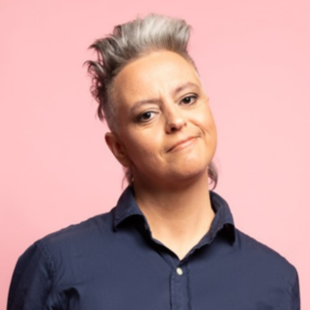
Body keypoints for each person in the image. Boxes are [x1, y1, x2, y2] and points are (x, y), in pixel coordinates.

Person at [7, 14, 300, 310]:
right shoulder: (54, 266)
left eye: (187, 99)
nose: (176, 121)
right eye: (147, 115)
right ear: (119, 148)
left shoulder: (276, 279)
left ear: (207, 109)